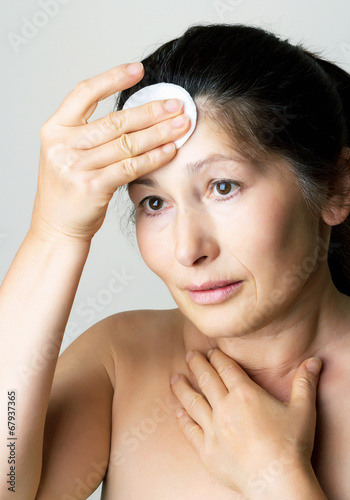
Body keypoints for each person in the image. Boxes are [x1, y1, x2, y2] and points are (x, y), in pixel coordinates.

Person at [1, 22, 349, 500]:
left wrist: (280, 481)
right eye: (154, 203)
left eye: (223, 187)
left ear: (336, 187)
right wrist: (55, 233)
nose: (188, 250)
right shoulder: (121, 359)